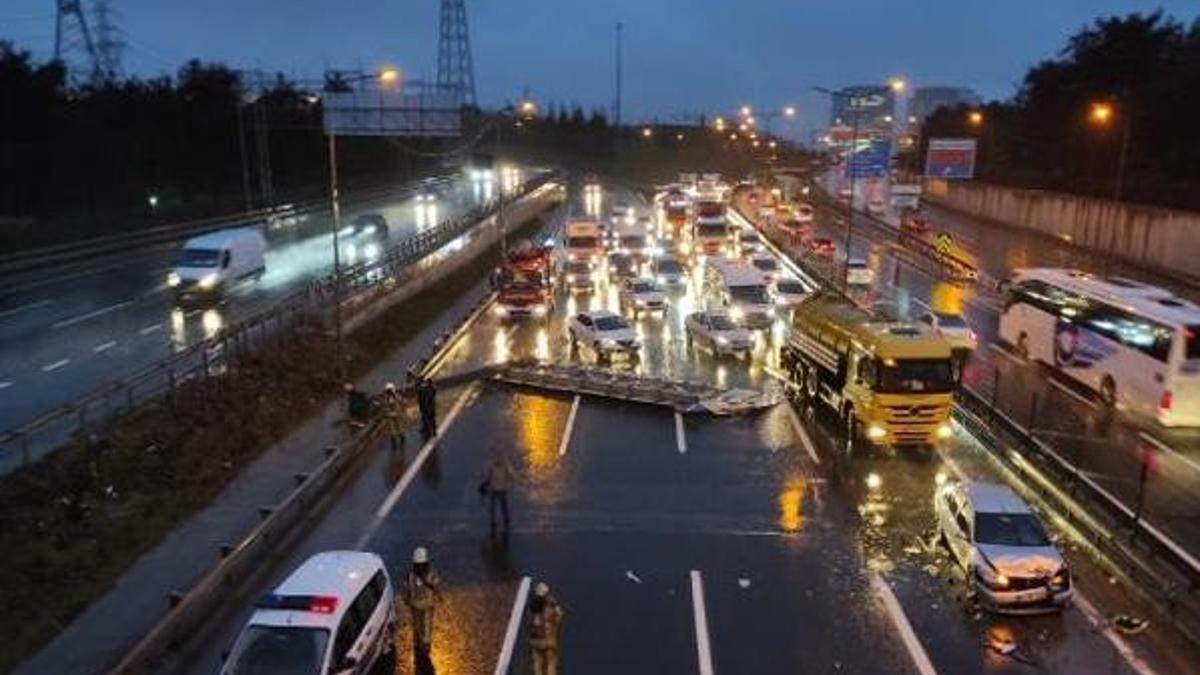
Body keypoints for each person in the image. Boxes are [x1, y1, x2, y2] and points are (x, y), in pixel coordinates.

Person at [401, 546, 443, 652]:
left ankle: (423, 642)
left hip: (420, 604)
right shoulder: (427, 574)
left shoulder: (411, 575)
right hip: (421, 604)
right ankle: (423, 642)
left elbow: (405, 588)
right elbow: (436, 585)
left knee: (423, 624)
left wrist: (406, 599)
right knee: (422, 625)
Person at [528, 581, 564, 675]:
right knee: (551, 663)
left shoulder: (532, 608)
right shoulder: (550, 607)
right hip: (549, 639)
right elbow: (560, 615)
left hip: (535, 640)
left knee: (538, 662)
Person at [480, 449, 516, 532]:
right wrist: (509, 485)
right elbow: (511, 476)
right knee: (502, 506)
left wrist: (485, 485)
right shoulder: (505, 466)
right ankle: (504, 520)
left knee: (495, 506)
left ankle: (495, 521)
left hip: (496, 488)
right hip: (500, 489)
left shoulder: (493, 466)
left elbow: (487, 477)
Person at [381, 382, 406, 451]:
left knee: (396, 427)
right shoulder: (391, 397)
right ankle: (399, 438)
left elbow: (384, 405)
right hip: (394, 414)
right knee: (395, 427)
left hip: (393, 414)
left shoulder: (389, 397)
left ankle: (398, 439)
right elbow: (401, 401)